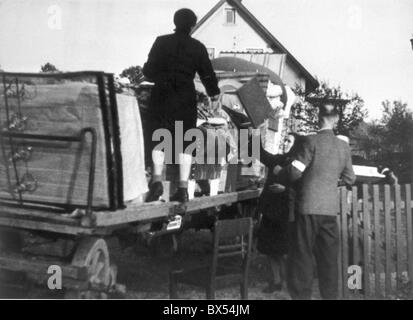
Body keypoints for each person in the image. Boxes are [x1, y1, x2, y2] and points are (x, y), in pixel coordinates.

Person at [278, 103, 356, 299]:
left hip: (307, 208)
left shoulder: (309, 141)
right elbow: (350, 179)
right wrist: (329, 181)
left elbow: (295, 172)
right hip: (329, 210)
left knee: (302, 255)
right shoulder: (343, 146)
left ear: (318, 117)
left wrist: (280, 173)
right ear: (336, 119)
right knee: (329, 259)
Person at [142, 8, 220, 202]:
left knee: (158, 137)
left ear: (175, 22)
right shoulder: (198, 47)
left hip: (162, 94)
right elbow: (208, 75)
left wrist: (158, 74)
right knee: (185, 142)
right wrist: (214, 93)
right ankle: (183, 188)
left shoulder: (161, 41)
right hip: (185, 96)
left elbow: (149, 72)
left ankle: (156, 181)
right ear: (192, 26)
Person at [256, 132, 301, 293]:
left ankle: (289, 281)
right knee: (270, 248)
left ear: (296, 144)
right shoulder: (277, 159)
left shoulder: (300, 164)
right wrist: (253, 130)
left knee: (283, 250)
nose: (284, 143)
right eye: (284, 140)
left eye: (288, 141)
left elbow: (303, 188)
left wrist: (286, 189)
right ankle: (276, 281)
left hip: (287, 212)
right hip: (270, 210)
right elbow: (258, 152)